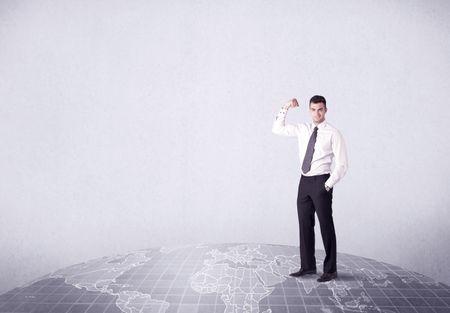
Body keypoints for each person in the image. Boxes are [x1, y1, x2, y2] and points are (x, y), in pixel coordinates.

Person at [272, 95, 348, 282]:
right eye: (313, 109)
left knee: (326, 226)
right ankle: (307, 266)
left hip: (321, 181)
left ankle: (330, 270)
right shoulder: (302, 129)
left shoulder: (333, 133)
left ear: (326, 110)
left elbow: (342, 164)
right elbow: (277, 128)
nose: (317, 113)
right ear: (309, 110)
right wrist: (286, 107)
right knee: (304, 225)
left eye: (320, 109)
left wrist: (328, 185)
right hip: (304, 182)